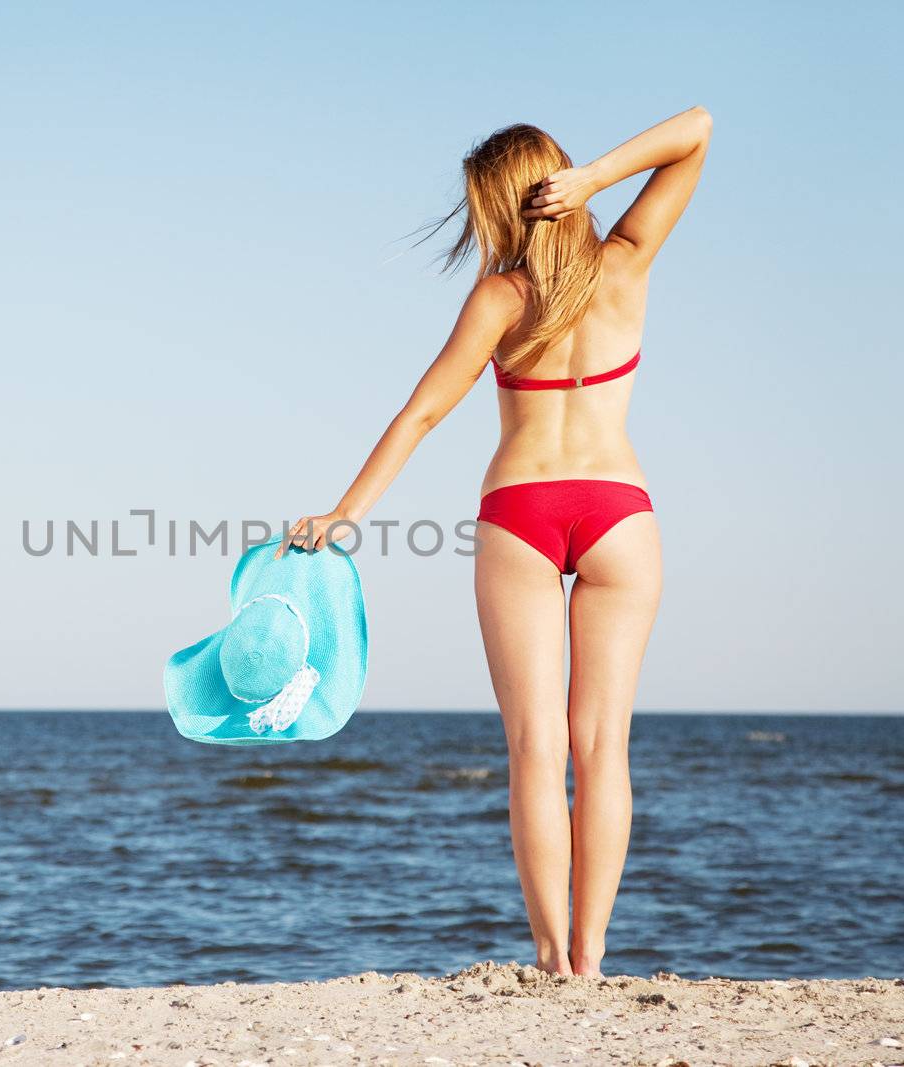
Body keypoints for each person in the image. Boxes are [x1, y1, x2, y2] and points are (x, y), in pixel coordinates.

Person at [277, 106, 712, 977]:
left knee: (535, 748)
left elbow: (424, 410)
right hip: (621, 511)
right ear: (555, 182)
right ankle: (592, 956)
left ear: (500, 205)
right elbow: (696, 130)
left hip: (522, 511)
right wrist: (596, 180)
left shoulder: (501, 297)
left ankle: (552, 957)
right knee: (602, 746)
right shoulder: (627, 266)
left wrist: (346, 513)